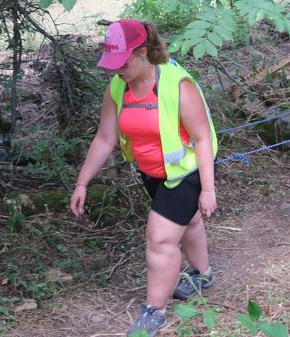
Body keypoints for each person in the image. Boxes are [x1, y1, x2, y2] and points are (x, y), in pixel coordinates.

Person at [69, 19, 218, 337]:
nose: (116, 70)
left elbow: (203, 139)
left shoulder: (178, 85)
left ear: (143, 52)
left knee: (161, 238)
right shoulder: (117, 87)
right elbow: (105, 137)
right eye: (112, 63)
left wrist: (207, 189)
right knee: (187, 222)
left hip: (186, 173)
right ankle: (203, 274)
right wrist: (82, 182)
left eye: (121, 62)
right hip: (151, 172)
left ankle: (155, 312)